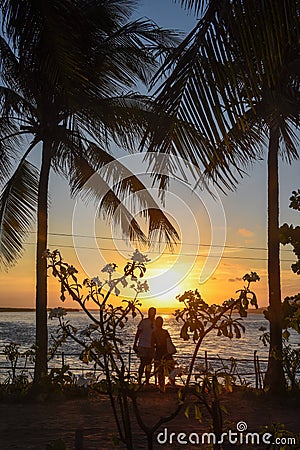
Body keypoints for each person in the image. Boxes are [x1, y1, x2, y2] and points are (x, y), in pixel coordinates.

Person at [133, 307, 156, 385]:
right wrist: (135, 343)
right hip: (143, 345)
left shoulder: (156, 323)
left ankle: (147, 380)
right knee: (142, 363)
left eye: (153, 312)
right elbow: (138, 332)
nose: (152, 314)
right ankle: (139, 379)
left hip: (151, 346)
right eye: (151, 312)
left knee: (149, 364)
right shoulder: (144, 322)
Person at [152, 316, 175, 393]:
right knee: (170, 368)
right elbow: (169, 342)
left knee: (160, 370)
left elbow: (152, 344)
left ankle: (162, 387)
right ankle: (172, 384)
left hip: (159, 351)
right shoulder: (165, 332)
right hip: (166, 352)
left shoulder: (154, 333)